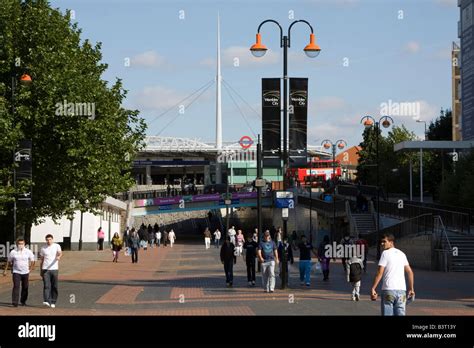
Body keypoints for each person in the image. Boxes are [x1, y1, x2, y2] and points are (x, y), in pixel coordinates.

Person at [371, 233, 415, 316]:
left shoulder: (385, 253)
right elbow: (410, 272)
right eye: (381, 242)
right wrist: (411, 289)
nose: (382, 244)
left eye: (384, 241)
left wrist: (373, 288)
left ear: (391, 242)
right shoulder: (402, 254)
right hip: (402, 292)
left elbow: (379, 272)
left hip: (388, 290)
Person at [3, 238, 35, 307]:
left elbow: (32, 260)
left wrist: (31, 268)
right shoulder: (13, 252)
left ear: (24, 244)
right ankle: (15, 302)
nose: (21, 245)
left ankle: (23, 301)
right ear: (17, 244)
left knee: (25, 287)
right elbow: (8, 261)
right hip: (16, 272)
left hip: (25, 272)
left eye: (22, 244)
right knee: (16, 286)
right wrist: (5, 270)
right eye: (19, 244)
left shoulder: (28, 251)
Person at [39, 234, 62, 308]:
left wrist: (59, 256)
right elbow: (41, 260)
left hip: (54, 269)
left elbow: (60, 253)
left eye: (50, 239)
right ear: (46, 240)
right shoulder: (43, 248)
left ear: (52, 239)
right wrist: (41, 270)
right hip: (45, 269)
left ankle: (53, 301)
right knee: (46, 285)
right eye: (47, 240)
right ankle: (46, 301)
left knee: (54, 286)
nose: (49, 241)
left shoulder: (56, 246)